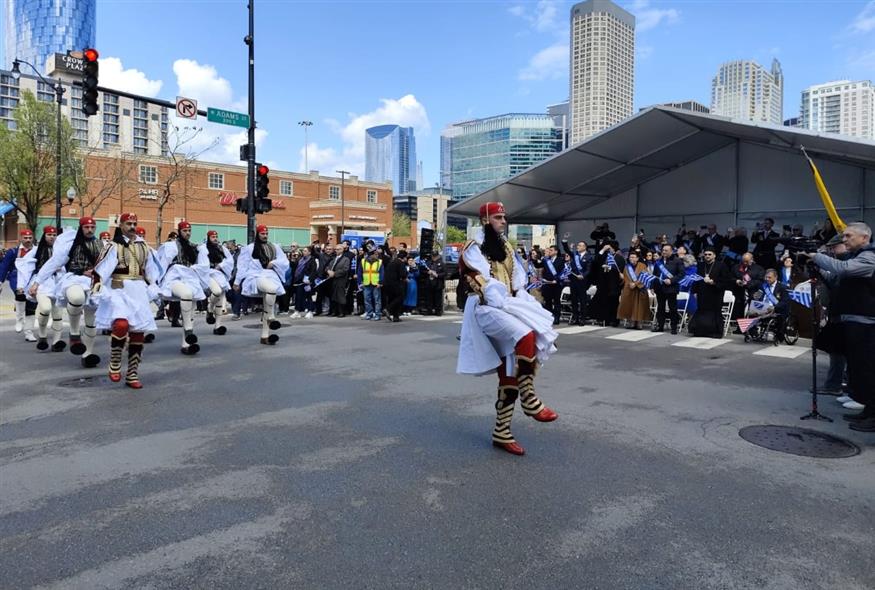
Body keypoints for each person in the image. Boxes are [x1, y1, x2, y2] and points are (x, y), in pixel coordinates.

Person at [457, 201, 559, 456]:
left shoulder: (507, 247)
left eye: (504, 217)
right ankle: (529, 397)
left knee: (509, 371)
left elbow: (518, 281)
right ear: (485, 220)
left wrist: (520, 300)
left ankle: (501, 431)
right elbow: (483, 283)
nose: (503, 221)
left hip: (506, 306)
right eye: (499, 217)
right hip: (485, 307)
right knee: (525, 334)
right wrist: (504, 300)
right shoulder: (474, 248)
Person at [805, 222, 875, 432]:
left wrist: (817, 256)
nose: (844, 240)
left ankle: (873, 415)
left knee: (867, 369)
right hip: (852, 319)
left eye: (848, 236)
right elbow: (836, 279)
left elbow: (843, 269)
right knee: (857, 369)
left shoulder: (869, 257)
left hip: (865, 321)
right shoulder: (855, 257)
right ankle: (868, 410)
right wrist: (815, 267)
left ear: (864, 238)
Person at [92, 213, 161, 389]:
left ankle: (132, 373)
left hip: (138, 290)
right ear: (121, 225)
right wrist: (99, 288)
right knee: (121, 324)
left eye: (134, 223)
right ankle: (115, 358)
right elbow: (100, 270)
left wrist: (153, 285)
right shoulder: (113, 246)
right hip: (119, 289)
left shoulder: (144, 246)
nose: (132, 226)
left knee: (138, 332)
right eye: (128, 223)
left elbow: (152, 270)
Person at [31, 216, 102, 367]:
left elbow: (109, 265)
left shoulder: (101, 245)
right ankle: (74, 333)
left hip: (94, 283)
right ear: (81, 228)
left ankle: (87, 354)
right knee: (76, 299)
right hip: (74, 278)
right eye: (86, 227)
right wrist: (37, 282)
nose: (90, 230)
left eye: (92, 227)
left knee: (91, 321)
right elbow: (54, 263)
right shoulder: (71, 245)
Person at [233, 225, 290, 345]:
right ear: (257, 234)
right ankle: (271, 316)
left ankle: (265, 336)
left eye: (266, 233)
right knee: (271, 289)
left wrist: (273, 262)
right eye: (262, 233)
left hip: (271, 275)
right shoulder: (249, 248)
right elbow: (242, 265)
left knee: (267, 303)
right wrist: (237, 281)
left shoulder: (274, 247)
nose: (265, 236)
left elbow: (284, 261)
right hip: (256, 276)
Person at [156, 220, 206, 355]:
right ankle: (189, 330)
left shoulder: (194, 247)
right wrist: (157, 281)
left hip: (190, 277)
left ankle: (186, 344)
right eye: (185, 231)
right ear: (179, 231)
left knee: (191, 311)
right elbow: (163, 263)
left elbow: (203, 264)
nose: (188, 233)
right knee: (186, 294)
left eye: (189, 231)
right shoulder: (171, 246)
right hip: (175, 276)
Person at [18, 226, 66, 352]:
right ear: (44, 236)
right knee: (45, 308)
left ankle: (57, 341)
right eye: (49, 235)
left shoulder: (62, 251)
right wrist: (21, 285)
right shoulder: (36, 251)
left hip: (58, 282)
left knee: (58, 314)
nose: (52, 237)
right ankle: (43, 334)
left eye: (54, 234)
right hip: (41, 283)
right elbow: (25, 268)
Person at [0, 228, 37, 341]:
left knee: (31, 305)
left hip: (32, 278)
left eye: (30, 238)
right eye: (25, 238)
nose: (28, 240)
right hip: (16, 277)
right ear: (21, 238)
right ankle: (19, 319)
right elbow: (4, 266)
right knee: (20, 294)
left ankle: (29, 332)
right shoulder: (13, 252)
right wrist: (0, 281)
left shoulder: (37, 251)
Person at [688, 247, 733, 338]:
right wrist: (694, 291)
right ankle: (700, 331)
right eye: (705, 254)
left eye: (709, 254)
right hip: (702, 293)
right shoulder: (701, 265)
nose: (707, 256)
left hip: (715, 293)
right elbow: (696, 278)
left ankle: (715, 332)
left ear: (714, 255)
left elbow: (726, 280)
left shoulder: (721, 265)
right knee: (702, 311)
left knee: (715, 312)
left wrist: (714, 282)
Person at [198, 230, 234, 336]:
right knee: (217, 292)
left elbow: (230, 260)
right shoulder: (203, 248)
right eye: (213, 236)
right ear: (208, 237)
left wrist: (221, 265)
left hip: (220, 274)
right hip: (208, 273)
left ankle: (217, 326)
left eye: (216, 236)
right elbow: (200, 262)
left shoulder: (221, 248)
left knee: (220, 300)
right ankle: (209, 307)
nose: (215, 238)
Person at [589, 241, 624, 327]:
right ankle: (605, 319)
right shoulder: (604, 256)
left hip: (614, 284)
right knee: (604, 302)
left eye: (609, 248)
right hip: (603, 283)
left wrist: (610, 268)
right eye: (607, 248)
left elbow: (620, 270)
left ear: (613, 248)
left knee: (614, 303)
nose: (608, 250)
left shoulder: (619, 258)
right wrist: (602, 250)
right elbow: (595, 262)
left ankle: (614, 320)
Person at [652, 244, 685, 334]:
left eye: (666, 250)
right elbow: (655, 275)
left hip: (671, 288)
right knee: (661, 308)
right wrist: (652, 286)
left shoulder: (677, 261)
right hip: (660, 288)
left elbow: (682, 274)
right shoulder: (659, 262)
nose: (664, 252)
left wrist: (671, 280)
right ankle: (660, 326)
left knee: (672, 309)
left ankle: (673, 327)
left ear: (671, 251)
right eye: (663, 250)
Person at [561, 234, 592, 325]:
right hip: (574, 281)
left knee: (582, 301)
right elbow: (566, 249)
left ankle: (582, 318)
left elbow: (589, 270)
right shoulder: (575, 255)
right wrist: (565, 240)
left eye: (580, 245)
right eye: (577, 245)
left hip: (582, 282)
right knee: (573, 300)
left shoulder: (589, 257)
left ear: (584, 247)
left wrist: (583, 275)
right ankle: (575, 318)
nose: (577, 247)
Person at [616, 251, 650, 329]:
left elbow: (645, 277)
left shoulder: (642, 266)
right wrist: (621, 277)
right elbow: (625, 279)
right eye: (631, 257)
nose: (632, 258)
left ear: (637, 258)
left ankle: (639, 323)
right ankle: (631, 323)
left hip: (640, 289)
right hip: (629, 289)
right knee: (629, 306)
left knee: (639, 307)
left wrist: (636, 284)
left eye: (634, 257)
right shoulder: (626, 267)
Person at [730, 252, 765, 323]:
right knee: (739, 309)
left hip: (753, 292)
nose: (745, 263)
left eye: (747, 261)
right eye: (743, 261)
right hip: (740, 292)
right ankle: (739, 327)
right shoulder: (736, 267)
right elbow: (730, 277)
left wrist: (748, 283)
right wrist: (736, 281)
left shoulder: (759, 269)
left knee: (753, 311)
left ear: (752, 260)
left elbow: (760, 280)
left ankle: (752, 328)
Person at [535, 245, 564, 325]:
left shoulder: (560, 260)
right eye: (549, 250)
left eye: (551, 250)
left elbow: (562, 272)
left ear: (556, 251)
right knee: (548, 301)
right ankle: (549, 317)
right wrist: (536, 259)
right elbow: (538, 266)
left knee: (557, 301)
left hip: (556, 284)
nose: (549, 252)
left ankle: (557, 317)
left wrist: (556, 280)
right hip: (547, 283)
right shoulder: (546, 260)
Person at [291, 245, 318, 319]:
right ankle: (297, 311)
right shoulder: (300, 259)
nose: (303, 252)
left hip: (307, 281)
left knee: (309, 296)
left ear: (309, 252)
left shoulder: (312, 260)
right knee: (298, 296)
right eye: (303, 251)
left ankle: (310, 311)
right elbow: (295, 268)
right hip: (299, 280)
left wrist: (310, 279)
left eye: (305, 251)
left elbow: (313, 271)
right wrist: (293, 261)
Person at [384, 250, 409, 322]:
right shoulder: (400, 263)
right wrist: (405, 279)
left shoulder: (392, 262)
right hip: (396, 283)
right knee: (400, 297)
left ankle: (396, 316)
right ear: (404, 257)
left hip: (387, 284)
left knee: (393, 298)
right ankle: (388, 309)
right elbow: (403, 274)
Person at [326, 243, 350, 317]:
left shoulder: (346, 259)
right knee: (333, 296)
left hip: (341, 280)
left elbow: (345, 269)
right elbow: (327, 267)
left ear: (342, 250)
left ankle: (341, 312)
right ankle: (334, 311)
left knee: (340, 296)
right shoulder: (333, 259)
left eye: (338, 249)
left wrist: (334, 273)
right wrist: (328, 271)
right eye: (336, 249)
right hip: (332, 280)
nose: (336, 251)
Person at [359, 248, 383, 320]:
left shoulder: (379, 262)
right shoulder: (363, 261)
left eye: (376, 254)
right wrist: (360, 282)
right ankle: (369, 314)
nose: (376, 255)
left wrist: (380, 282)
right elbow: (360, 272)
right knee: (367, 300)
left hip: (376, 284)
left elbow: (382, 273)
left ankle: (378, 314)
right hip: (366, 283)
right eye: (374, 254)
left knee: (377, 300)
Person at [423, 251, 446, 315]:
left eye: (435, 256)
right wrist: (428, 272)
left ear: (438, 256)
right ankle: (429, 310)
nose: (433, 257)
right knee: (429, 298)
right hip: (429, 282)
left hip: (437, 283)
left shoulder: (442, 263)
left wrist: (437, 275)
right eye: (433, 256)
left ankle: (438, 311)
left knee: (438, 298)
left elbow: (445, 273)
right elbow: (423, 271)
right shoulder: (428, 263)